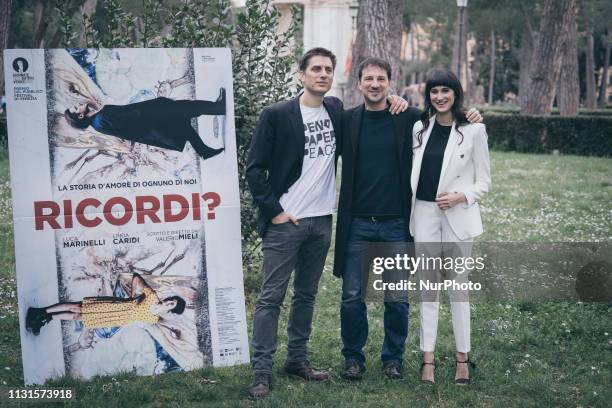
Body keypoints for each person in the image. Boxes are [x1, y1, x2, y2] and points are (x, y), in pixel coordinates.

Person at [245, 48, 408, 399]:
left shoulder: (335, 110)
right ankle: (261, 370)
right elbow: (255, 168)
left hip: (321, 222)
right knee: (271, 298)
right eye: (315, 69)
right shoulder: (276, 114)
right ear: (300, 74)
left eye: (328, 70)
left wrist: (396, 99)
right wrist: (274, 210)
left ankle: (297, 360)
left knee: (306, 294)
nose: (322, 74)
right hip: (286, 221)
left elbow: (375, 108)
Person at [334, 58, 482, 381]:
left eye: (381, 79)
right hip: (358, 222)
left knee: (397, 298)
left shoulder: (409, 120)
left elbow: (445, 117)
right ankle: (353, 358)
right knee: (352, 297)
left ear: (391, 83)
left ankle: (393, 358)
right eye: (369, 79)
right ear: (359, 83)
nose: (375, 84)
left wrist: (471, 115)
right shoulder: (347, 121)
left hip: (397, 223)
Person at [410, 68, 491, 385]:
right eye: (434, 91)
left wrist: (462, 196)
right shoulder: (419, 127)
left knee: (458, 291)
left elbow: (484, 181)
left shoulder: (473, 130)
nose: (440, 97)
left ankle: (463, 359)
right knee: (427, 290)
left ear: (456, 93)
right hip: (425, 215)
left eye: (446, 90)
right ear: (428, 96)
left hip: (457, 219)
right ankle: (427, 360)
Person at [63, 89, 226, 159]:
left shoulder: (98, 122)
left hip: (154, 124)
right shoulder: (102, 117)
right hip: (155, 119)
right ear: (80, 114)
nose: (78, 104)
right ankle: (218, 107)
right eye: (76, 107)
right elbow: (131, 117)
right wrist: (157, 107)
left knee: (184, 124)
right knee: (186, 108)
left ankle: (204, 151)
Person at [25, 272, 186, 335]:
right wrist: (131, 297)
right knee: (77, 307)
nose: (169, 303)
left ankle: (46, 318)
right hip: (111, 306)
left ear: (170, 310)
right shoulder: (152, 296)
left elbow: (135, 322)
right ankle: (40, 311)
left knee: (77, 317)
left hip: (113, 319)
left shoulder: (154, 320)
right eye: (171, 300)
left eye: (171, 305)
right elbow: (136, 278)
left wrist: (122, 323)